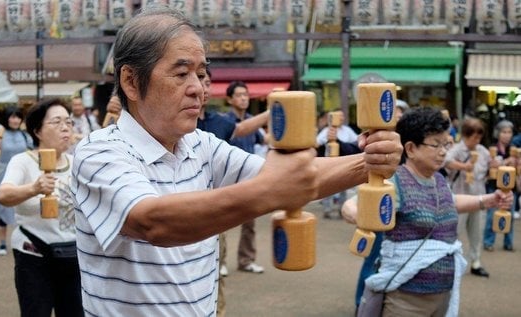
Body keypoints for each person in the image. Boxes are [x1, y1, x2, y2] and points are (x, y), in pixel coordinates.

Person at [71, 6, 402, 316]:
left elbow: (293, 177)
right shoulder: (98, 152)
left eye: (201, 75)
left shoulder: (202, 145)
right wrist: (271, 192)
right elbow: (152, 222)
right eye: (181, 73)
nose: (198, 89)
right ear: (130, 80)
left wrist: (369, 162)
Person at [342, 107, 512, 317]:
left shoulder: (439, 180)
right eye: (435, 144)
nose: (443, 151)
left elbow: (450, 202)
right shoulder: (395, 182)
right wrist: (362, 217)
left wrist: (488, 200)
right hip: (406, 300)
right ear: (411, 149)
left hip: (443, 295)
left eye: (446, 144)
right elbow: (351, 205)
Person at [0, 98, 83, 317]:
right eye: (56, 122)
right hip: (34, 253)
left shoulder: (77, 163)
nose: (65, 127)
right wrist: (34, 188)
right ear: (37, 131)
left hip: (73, 255)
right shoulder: (22, 161)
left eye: (68, 122)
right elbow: (4, 195)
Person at [351, 98, 409, 311]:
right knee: (372, 261)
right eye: (394, 114)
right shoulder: (373, 142)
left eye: (401, 115)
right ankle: (361, 304)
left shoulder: (408, 144)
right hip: (378, 204)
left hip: (397, 210)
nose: (397, 118)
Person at [223, 80, 268, 274]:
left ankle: (246, 260)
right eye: (239, 95)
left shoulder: (253, 121)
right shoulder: (224, 121)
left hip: (249, 179)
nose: (244, 98)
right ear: (230, 100)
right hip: (227, 179)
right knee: (220, 224)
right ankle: (220, 262)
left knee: (250, 223)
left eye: (246, 95)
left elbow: (266, 140)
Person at [444, 117, 491, 277]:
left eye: (479, 136)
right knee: (456, 230)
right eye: (473, 136)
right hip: (460, 197)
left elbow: (490, 168)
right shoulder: (457, 149)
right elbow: (445, 160)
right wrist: (463, 166)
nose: (476, 140)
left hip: (479, 196)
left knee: (477, 231)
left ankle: (476, 262)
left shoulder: (483, 151)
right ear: (465, 135)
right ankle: (451, 261)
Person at [0, 106, 33, 256]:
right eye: (12, 116)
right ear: (7, 118)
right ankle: (2, 243)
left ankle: (24, 242)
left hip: (21, 177)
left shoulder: (24, 135)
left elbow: (33, 150)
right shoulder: (0, 134)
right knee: (3, 209)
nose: (15, 120)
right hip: (3, 175)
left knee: (22, 209)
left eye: (17, 117)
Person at [315, 110, 360, 218]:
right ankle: (327, 209)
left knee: (343, 186)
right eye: (338, 116)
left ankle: (341, 208)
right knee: (328, 186)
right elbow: (317, 143)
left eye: (342, 116)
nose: (341, 118)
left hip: (344, 162)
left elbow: (357, 142)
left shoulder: (347, 130)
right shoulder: (327, 130)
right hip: (329, 163)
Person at [483, 120, 517, 252]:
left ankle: (508, 243)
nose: (507, 135)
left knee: (510, 215)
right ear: (498, 133)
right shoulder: (492, 149)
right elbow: (491, 165)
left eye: (509, 132)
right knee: (492, 215)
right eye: (504, 132)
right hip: (494, 186)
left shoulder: (513, 150)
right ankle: (488, 242)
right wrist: (507, 161)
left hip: (510, 187)